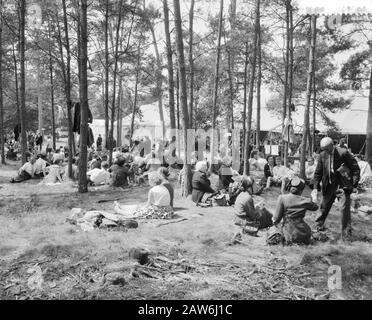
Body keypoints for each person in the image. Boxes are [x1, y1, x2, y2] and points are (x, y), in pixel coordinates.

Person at [312, 137, 360, 239]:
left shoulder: (343, 152)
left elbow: (355, 168)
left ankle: (346, 235)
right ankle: (317, 228)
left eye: (327, 149)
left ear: (332, 146)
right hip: (328, 186)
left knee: (344, 210)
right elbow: (318, 173)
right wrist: (315, 188)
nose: (326, 151)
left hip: (343, 186)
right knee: (323, 207)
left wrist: (354, 185)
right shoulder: (322, 155)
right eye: (323, 149)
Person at [273, 177, 318, 245]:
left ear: (289, 187)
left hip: (288, 233)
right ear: (301, 190)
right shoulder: (306, 200)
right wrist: (314, 197)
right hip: (304, 233)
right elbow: (315, 207)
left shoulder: (282, 198)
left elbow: (276, 219)